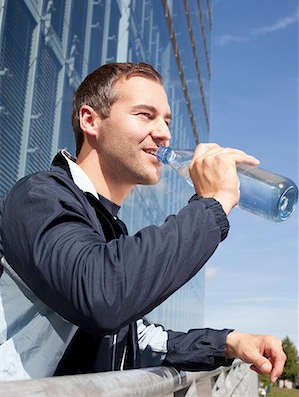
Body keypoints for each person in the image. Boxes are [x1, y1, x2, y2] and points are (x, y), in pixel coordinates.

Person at [0, 62, 286, 382]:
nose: (164, 133)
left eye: (166, 119)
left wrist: (229, 342)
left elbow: (138, 339)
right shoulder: (39, 197)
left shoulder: (107, 228)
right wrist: (211, 204)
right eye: (145, 115)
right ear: (90, 120)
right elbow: (103, 295)